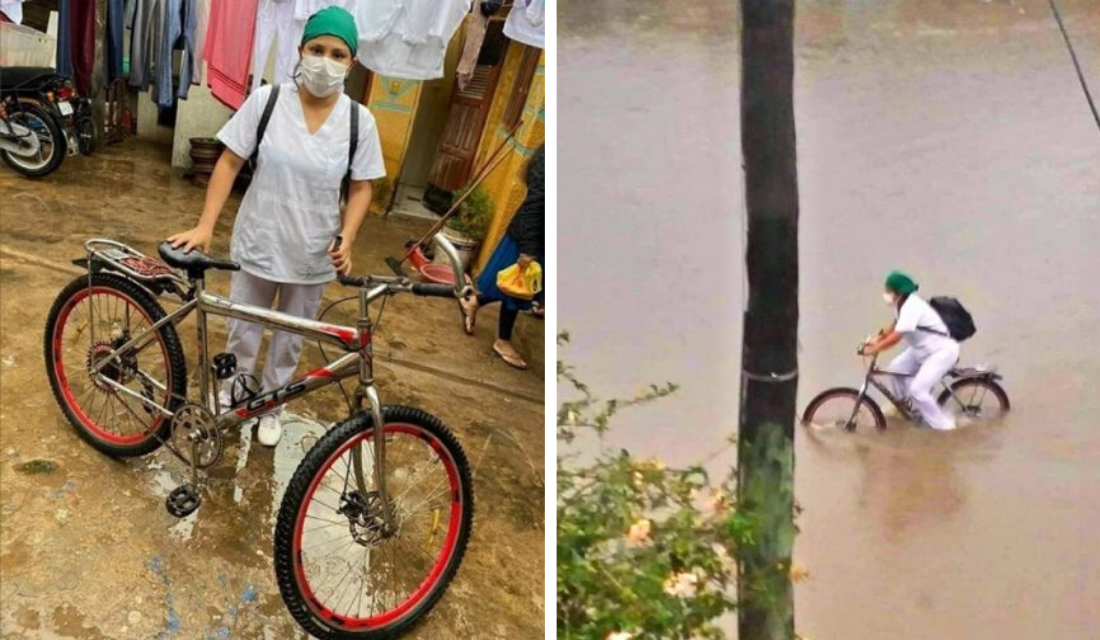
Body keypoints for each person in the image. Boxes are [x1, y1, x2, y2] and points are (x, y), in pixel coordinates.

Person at [168, 7, 385, 446]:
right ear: (301, 50)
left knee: (289, 340)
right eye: (317, 49)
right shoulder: (268, 101)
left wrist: (349, 236)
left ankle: (273, 406)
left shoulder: (360, 122)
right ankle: (233, 395)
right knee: (242, 331)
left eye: (337, 54)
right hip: (260, 240)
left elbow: (362, 187)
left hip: (312, 253)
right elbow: (229, 161)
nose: (325, 61)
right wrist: (206, 225)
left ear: (352, 63)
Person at [460, 144, 545, 370]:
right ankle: (502, 340)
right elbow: (535, 206)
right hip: (531, 238)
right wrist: (528, 249)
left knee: (520, 290)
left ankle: (474, 302)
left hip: (544, 238)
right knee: (516, 291)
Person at [860, 270, 960, 431]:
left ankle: (945, 427)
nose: (885, 293)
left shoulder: (912, 307)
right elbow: (894, 325)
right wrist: (877, 338)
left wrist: (875, 349)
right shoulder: (900, 304)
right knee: (895, 369)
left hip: (940, 352)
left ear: (898, 292)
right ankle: (903, 407)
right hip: (921, 349)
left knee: (918, 390)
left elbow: (897, 337)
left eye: (888, 290)